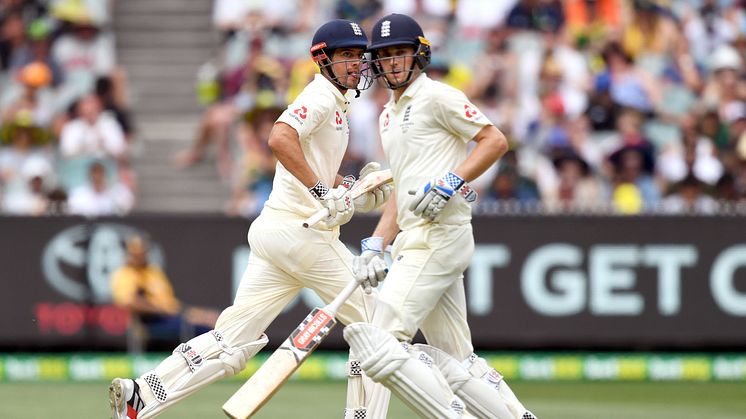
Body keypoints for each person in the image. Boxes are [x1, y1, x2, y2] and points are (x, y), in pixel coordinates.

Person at [109, 19, 392, 419]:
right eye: (347, 55)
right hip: (303, 234)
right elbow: (279, 137)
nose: (356, 65)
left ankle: (143, 394)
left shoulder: (338, 105)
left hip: (277, 232)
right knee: (377, 324)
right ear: (323, 59)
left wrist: (352, 191)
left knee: (232, 342)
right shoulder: (322, 96)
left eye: (358, 57)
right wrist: (322, 192)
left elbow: (316, 171)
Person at [343, 14, 537, 419]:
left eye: (401, 53)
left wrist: (451, 180)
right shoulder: (387, 115)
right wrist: (376, 243)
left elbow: (494, 140)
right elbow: (402, 186)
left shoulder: (438, 97)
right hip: (416, 238)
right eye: (385, 56)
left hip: (439, 235)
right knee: (457, 360)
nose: (394, 62)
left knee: (380, 339)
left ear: (419, 54)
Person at [110, 234, 219, 348]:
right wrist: (157, 308)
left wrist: (195, 313)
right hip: (152, 321)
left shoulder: (153, 271)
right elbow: (128, 301)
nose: (139, 256)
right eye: (136, 253)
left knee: (213, 318)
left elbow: (170, 302)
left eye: (142, 252)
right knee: (200, 327)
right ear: (129, 254)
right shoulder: (125, 274)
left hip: (172, 314)